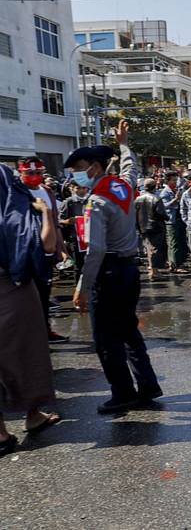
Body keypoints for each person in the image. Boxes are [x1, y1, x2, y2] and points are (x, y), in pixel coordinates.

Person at [66, 120, 162, 414]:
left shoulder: (95, 201)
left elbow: (94, 250)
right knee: (129, 331)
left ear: (94, 167)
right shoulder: (121, 186)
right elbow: (130, 168)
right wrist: (124, 144)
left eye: (79, 167)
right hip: (129, 271)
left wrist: (82, 287)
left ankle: (123, 393)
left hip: (107, 275)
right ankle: (147, 385)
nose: (75, 174)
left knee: (106, 339)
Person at [0, 163, 62, 457]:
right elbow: (46, 246)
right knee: (28, 354)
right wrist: (46, 213)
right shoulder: (18, 206)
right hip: (14, 287)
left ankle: (1, 434)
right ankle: (33, 415)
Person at [17, 158, 68, 345]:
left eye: (38, 172)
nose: (34, 176)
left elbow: (55, 222)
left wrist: (61, 247)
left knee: (44, 291)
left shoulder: (46, 191)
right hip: (25, 251)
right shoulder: (15, 192)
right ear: (21, 173)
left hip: (47, 249)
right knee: (26, 294)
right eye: (29, 173)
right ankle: (28, 335)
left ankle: (45, 330)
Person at [135, 177, 169, 280]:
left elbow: (134, 213)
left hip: (143, 227)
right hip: (156, 227)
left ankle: (153, 270)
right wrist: (167, 217)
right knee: (155, 249)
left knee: (149, 249)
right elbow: (160, 213)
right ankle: (154, 272)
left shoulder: (138, 199)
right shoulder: (156, 198)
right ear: (154, 187)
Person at [59, 180, 90, 284]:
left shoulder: (91, 200)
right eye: (78, 188)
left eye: (84, 188)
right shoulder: (68, 202)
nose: (81, 191)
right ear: (72, 188)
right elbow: (59, 221)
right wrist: (68, 221)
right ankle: (79, 289)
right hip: (76, 239)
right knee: (79, 265)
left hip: (91, 237)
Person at [160, 171, 189, 274]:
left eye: (176, 180)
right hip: (171, 221)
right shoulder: (165, 192)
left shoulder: (176, 190)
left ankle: (179, 263)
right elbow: (164, 206)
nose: (175, 182)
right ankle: (174, 265)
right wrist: (175, 199)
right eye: (173, 180)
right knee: (174, 243)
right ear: (167, 181)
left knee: (181, 242)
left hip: (179, 219)